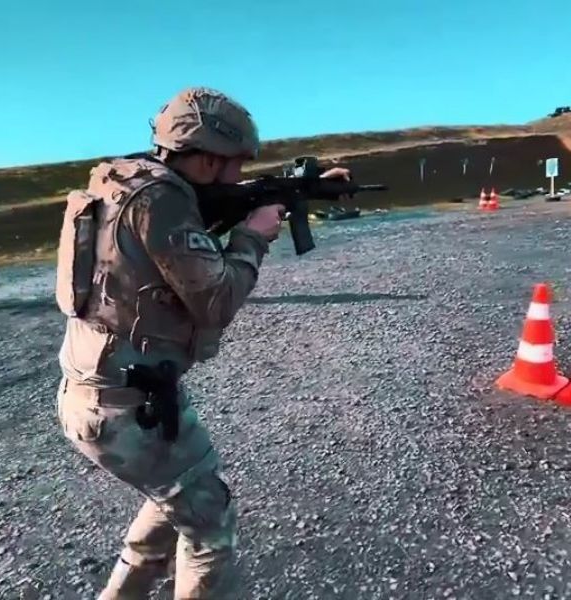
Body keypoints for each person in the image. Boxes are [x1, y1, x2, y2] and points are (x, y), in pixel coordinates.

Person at [54, 86, 349, 598]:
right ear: (209, 158)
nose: (239, 173)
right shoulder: (162, 202)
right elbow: (216, 300)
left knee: (179, 499)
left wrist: (302, 186)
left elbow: (220, 198)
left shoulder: (129, 181)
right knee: (210, 526)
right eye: (235, 162)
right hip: (129, 407)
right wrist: (253, 236)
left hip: (106, 391)